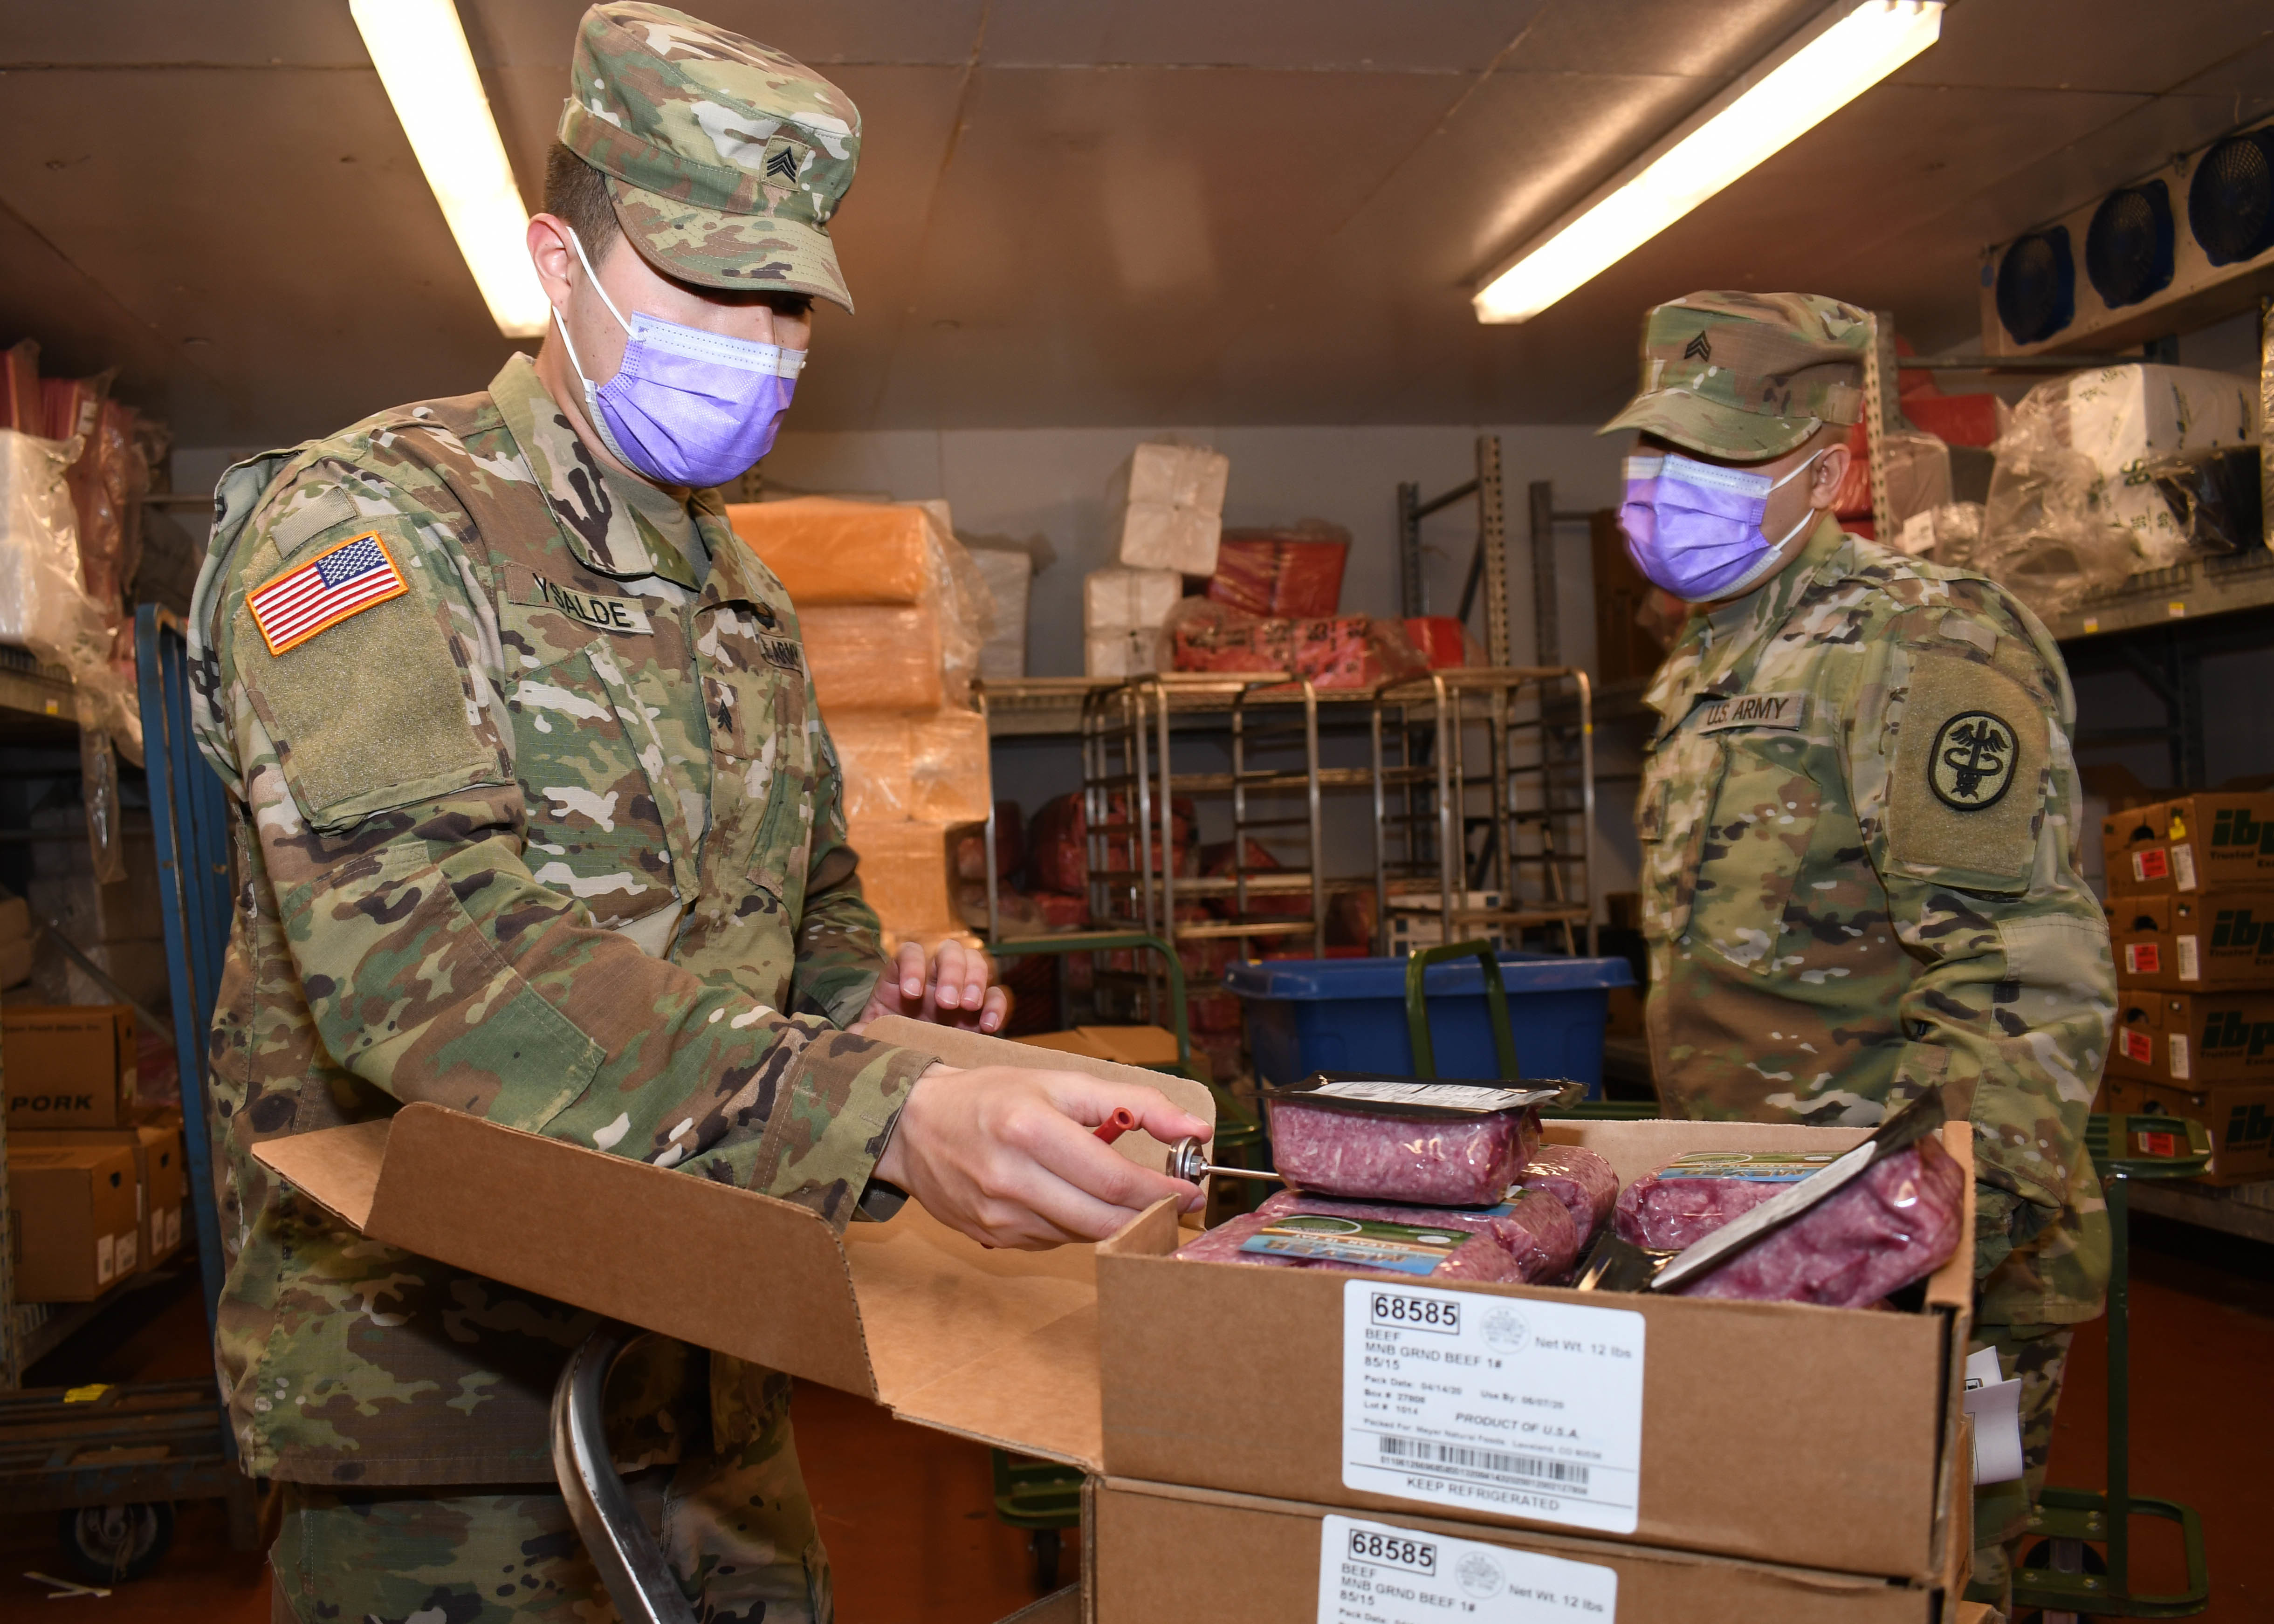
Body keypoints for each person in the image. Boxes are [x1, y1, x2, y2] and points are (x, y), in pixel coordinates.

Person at [185, 7, 1205, 1619]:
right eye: (711, 282)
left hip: (716, 1379)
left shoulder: (733, 590)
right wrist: (877, 1119)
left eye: (788, 294)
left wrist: (881, 1008)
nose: (764, 337)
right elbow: (423, 958)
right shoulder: (375, 522)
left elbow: (800, 923)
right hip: (451, 1426)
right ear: (556, 263)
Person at [1605, 292, 2113, 1608]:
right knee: (1811, 1571)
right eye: (1657, 452)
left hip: (1946, 1286)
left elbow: (2021, 987)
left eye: (1715, 462)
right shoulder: (1714, 657)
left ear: (1826, 472)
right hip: (1777, 1250)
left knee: (1959, 1557)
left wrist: (1919, 1255)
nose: (1667, 491)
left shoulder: (1921, 642)